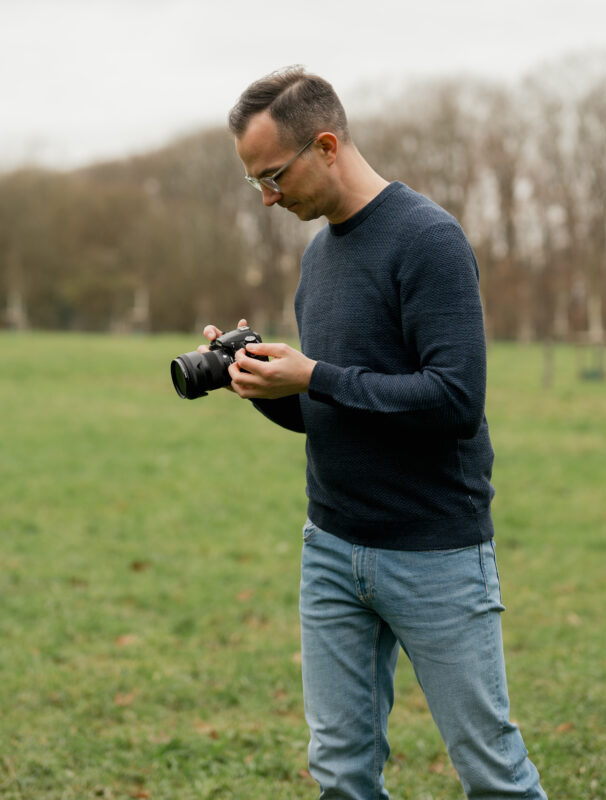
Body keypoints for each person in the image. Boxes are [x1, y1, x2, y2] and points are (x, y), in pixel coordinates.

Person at [201, 67, 548, 799]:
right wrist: (263, 384)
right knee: (340, 773)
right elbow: (328, 405)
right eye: (253, 184)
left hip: (434, 553)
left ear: (325, 145)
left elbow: (453, 399)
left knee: (492, 773)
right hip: (330, 549)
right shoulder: (318, 254)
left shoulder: (428, 240)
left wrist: (313, 375)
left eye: (272, 176)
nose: (266, 198)